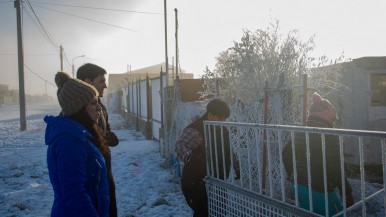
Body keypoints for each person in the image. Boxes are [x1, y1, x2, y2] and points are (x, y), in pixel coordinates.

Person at [44, 72, 110, 217]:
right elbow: (74, 195)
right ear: (78, 108)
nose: (99, 108)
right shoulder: (70, 142)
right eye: (93, 103)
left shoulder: (81, 135)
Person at [282, 92, 354, 216]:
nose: (334, 112)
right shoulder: (329, 134)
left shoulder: (301, 130)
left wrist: (295, 176)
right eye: (332, 109)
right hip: (318, 189)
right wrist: (347, 192)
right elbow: (334, 166)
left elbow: (286, 153)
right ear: (325, 111)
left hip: (298, 187)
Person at [175, 99, 240, 217]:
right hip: (197, 182)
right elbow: (180, 145)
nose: (223, 121)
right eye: (220, 118)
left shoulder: (223, 130)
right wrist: (190, 157)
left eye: (224, 118)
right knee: (202, 212)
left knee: (218, 211)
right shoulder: (196, 130)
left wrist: (236, 166)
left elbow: (228, 150)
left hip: (219, 180)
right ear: (210, 115)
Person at [77, 63, 119, 217]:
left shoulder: (100, 106)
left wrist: (109, 137)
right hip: (92, 178)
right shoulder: (78, 111)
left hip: (105, 172)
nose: (105, 86)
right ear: (88, 82)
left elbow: (105, 131)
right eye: (101, 81)